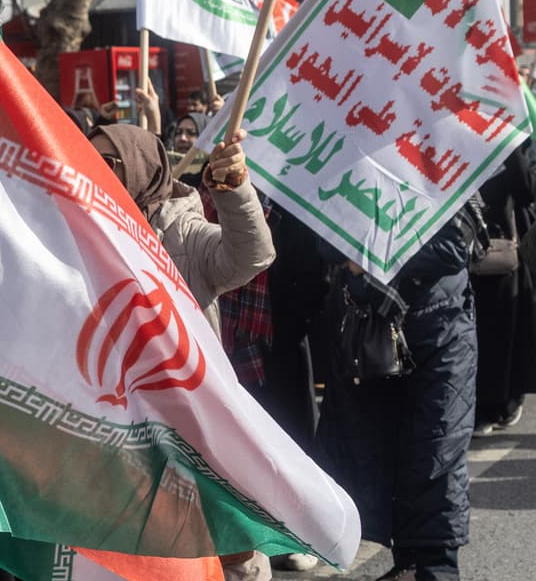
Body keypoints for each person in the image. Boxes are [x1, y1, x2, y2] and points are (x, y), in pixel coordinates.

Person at [88, 123, 275, 581]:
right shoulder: (83, 226)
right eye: (87, 159)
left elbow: (251, 255)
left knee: (216, 547)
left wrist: (234, 189)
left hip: (187, 416)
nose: (95, 173)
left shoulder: (181, 230)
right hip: (119, 420)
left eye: (108, 164)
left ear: (139, 168)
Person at [315, 212, 476, 581]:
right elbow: (322, 240)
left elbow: (454, 246)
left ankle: (435, 567)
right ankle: (409, 562)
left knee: (436, 452)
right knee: (385, 452)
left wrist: (370, 256)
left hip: (442, 332)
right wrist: (350, 254)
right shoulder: (346, 164)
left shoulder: (444, 165)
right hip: (373, 330)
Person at [470, 140, 536, 436]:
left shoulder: (518, 137)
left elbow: (526, 190)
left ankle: (499, 402)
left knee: (501, 331)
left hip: (502, 246)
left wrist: (512, 147)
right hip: (464, 246)